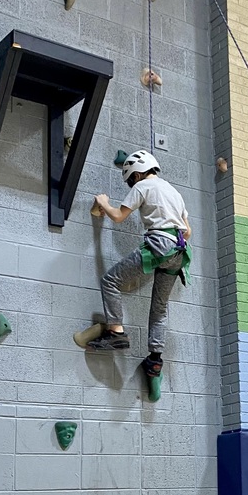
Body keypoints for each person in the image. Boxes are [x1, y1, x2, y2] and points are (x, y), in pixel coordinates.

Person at [88, 150, 191, 384]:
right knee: (159, 308)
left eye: (130, 180)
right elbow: (188, 232)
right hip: (180, 251)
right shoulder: (175, 192)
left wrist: (103, 202)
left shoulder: (142, 187)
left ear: (135, 174)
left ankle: (116, 332)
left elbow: (118, 216)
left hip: (160, 244)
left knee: (110, 281)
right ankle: (155, 359)